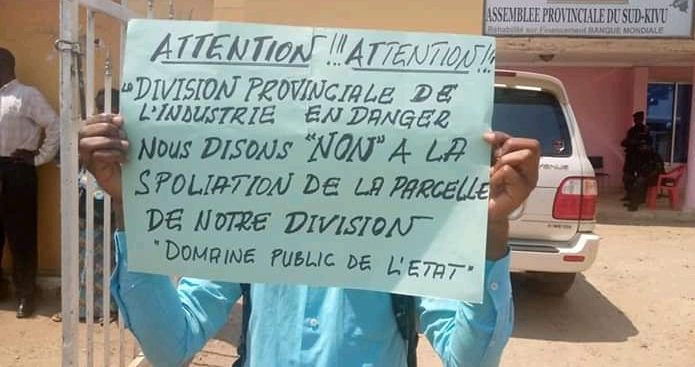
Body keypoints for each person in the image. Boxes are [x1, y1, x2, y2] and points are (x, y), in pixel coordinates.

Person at [79, 112, 540, 367]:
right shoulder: (247, 225)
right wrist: (128, 209)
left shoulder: (409, 236)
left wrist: (491, 232)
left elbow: (470, 361)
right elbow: (170, 346)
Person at [0, 47, 60, 318]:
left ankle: (26, 294)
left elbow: (54, 124)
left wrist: (39, 158)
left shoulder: (26, 95)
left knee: (21, 234)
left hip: (17, 170)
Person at [52, 88, 121, 324]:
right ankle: (78, 308)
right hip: (85, 205)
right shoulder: (85, 133)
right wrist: (79, 152)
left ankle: (109, 309)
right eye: (100, 106)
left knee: (110, 261)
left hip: (112, 207)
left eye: (111, 107)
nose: (105, 112)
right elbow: (62, 162)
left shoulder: (123, 136)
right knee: (81, 258)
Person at [621, 111, 652, 201]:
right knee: (627, 176)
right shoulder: (631, 130)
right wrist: (629, 142)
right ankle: (629, 195)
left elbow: (649, 143)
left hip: (642, 159)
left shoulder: (646, 130)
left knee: (641, 178)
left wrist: (641, 145)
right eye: (635, 119)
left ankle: (641, 197)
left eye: (637, 119)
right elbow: (625, 142)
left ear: (641, 119)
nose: (635, 121)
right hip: (631, 157)